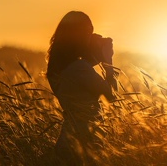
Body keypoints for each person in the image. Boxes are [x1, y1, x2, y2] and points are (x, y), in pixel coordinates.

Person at [46, 11, 117, 166]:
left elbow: (80, 77)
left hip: (68, 139)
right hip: (83, 141)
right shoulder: (79, 68)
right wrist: (108, 61)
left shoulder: (60, 68)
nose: (89, 37)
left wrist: (96, 54)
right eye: (87, 33)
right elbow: (111, 96)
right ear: (77, 36)